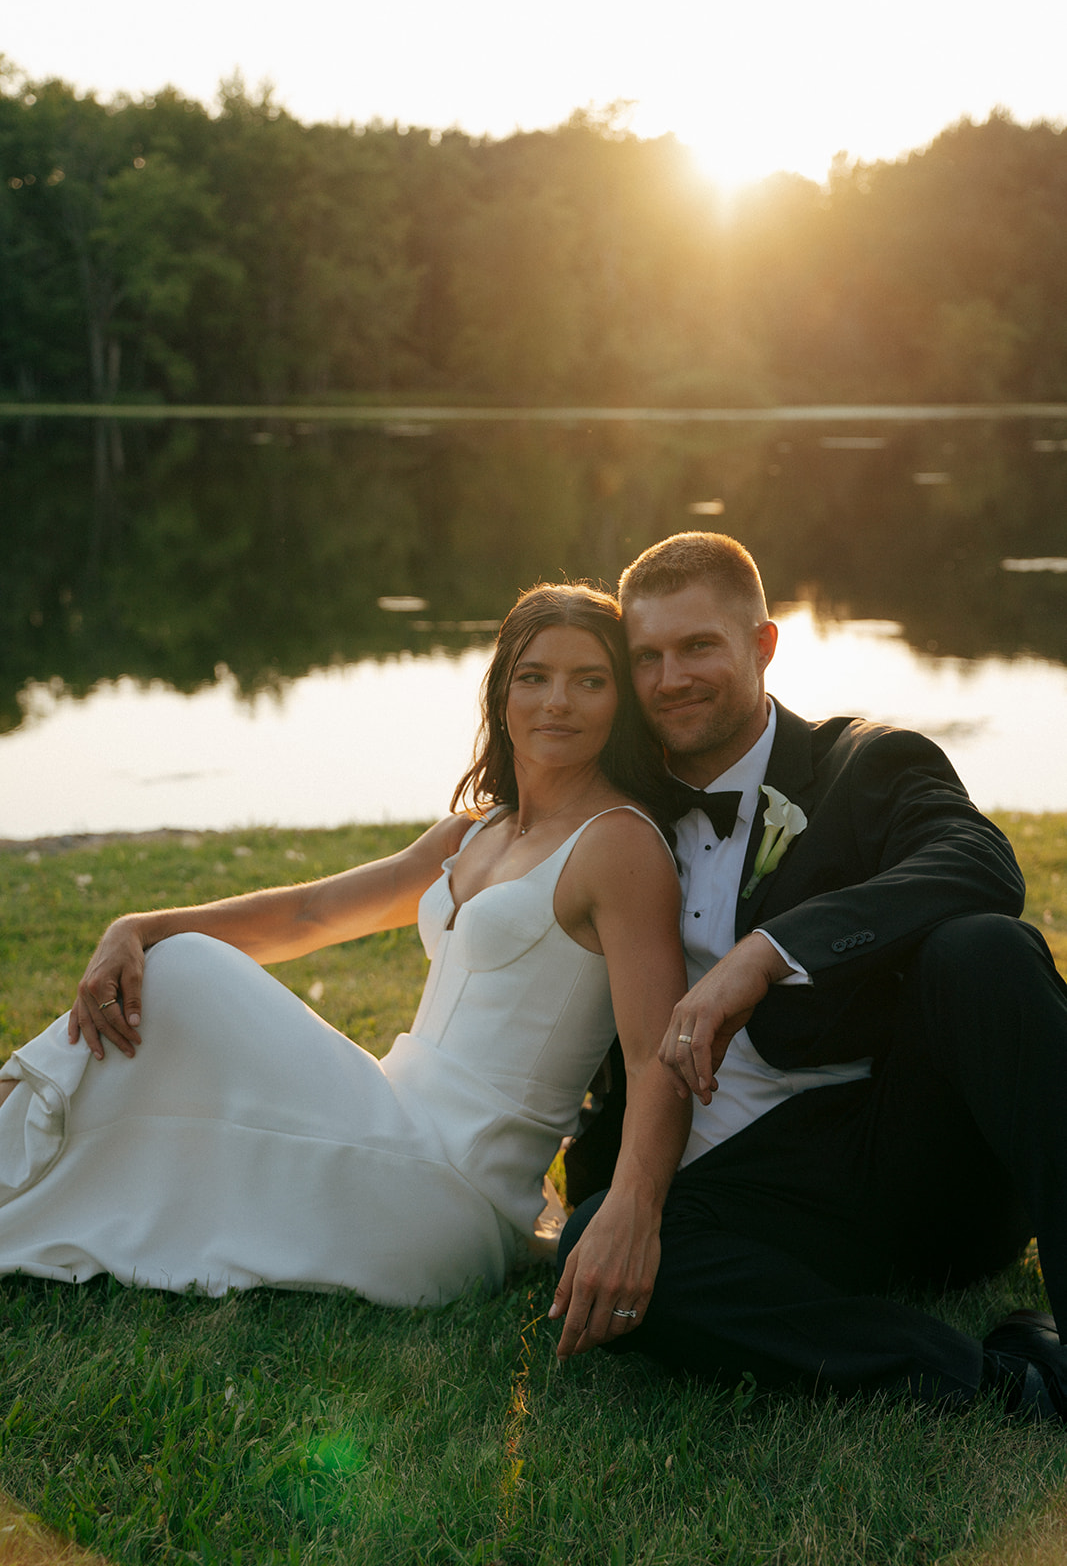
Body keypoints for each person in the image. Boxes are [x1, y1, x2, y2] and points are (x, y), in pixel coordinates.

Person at [0, 584, 691, 1350]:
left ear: (618, 701)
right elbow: (311, 914)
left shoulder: (618, 844)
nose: (557, 701)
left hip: (450, 1197)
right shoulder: (477, 832)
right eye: (533, 676)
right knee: (160, 1025)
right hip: (390, 1126)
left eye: (588, 680)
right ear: (500, 694)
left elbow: (654, 1053)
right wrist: (136, 925)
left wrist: (634, 1208)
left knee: (187, 971)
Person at [553, 532, 1067, 1417]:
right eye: (647, 657)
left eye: (699, 647)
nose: (671, 678)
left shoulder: (863, 764)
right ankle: (994, 1382)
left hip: (912, 1156)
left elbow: (979, 860)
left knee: (979, 949)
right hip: (766, 1194)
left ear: (762, 646)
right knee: (610, 1259)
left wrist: (765, 955)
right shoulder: (617, 804)